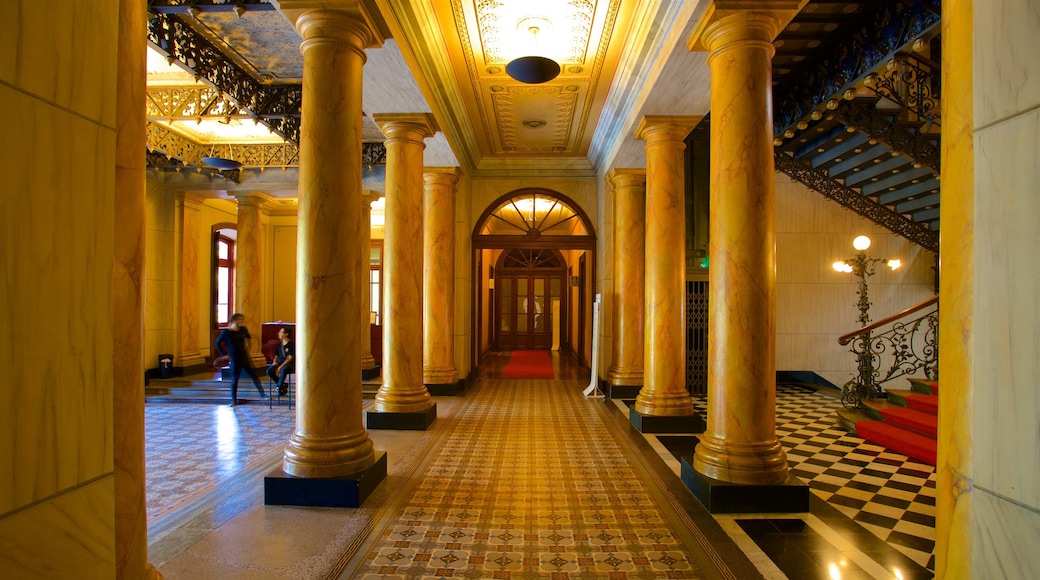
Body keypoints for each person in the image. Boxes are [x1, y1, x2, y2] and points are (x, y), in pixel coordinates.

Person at [214, 313, 266, 407]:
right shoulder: (226, 332)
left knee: (254, 375)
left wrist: (248, 347)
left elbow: (248, 337)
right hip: (234, 358)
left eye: (241, 319)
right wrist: (224, 355)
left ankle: (263, 394)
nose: (241, 321)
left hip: (244, 356)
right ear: (233, 320)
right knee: (235, 379)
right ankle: (233, 400)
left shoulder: (243, 329)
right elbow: (217, 343)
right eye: (238, 319)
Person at [266, 326, 295, 396]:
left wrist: (280, 367)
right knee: (269, 371)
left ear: (286, 334)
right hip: (280, 363)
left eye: (281, 332)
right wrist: (275, 362)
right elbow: (276, 355)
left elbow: (290, 358)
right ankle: (281, 384)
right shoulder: (280, 345)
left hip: (289, 364)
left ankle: (279, 386)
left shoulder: (291, 345)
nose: (279, 334)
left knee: (284, 370)